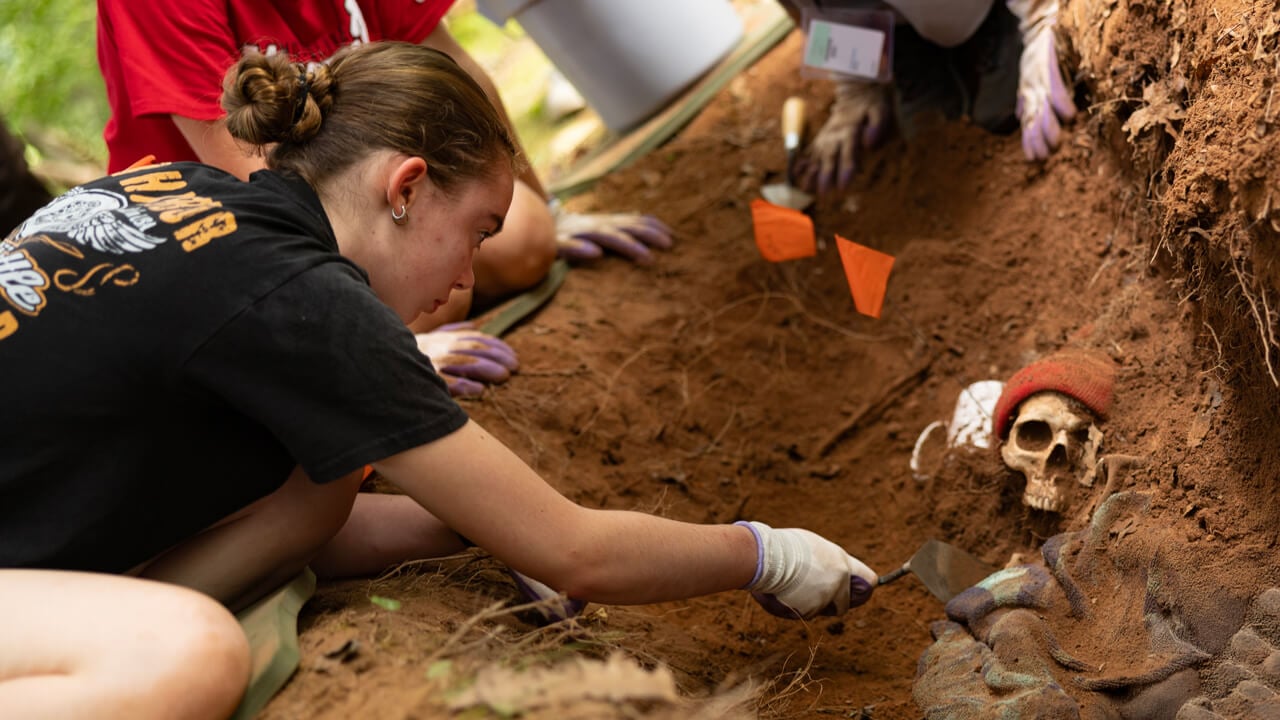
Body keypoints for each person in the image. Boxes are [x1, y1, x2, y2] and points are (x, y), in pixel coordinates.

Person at [0, 42, 878, 718]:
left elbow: (313, 518)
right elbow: (578, 553)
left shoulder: (190, 195)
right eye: (477, 232)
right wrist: (764, 553)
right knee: (185, 654)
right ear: (408, 187)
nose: (465, 284)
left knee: (326, 476)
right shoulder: (304, 300)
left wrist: (482, 524)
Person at [94, 0, 674, 395]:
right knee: (432, 289)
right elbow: (252, 174)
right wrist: (384, 346)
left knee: (522, 235)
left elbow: (450, 64)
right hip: (222, 228)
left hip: (369, 178)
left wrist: (546, 206)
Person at [777, 0, 1077, 195]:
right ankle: (910, 43)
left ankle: (991, 17)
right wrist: (855, 83)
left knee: (1000, 113)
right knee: (929, 144)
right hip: (897, 17)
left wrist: (1039, 13)